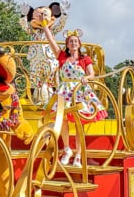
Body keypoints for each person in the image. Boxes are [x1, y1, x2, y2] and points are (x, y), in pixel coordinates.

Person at [42, 24, 107, 167]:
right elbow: (51, 40)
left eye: (75, 41)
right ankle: (67, 149)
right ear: (67, 44)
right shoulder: (62, 56)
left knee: (79, 123)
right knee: (63, 119)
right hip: (64, 91)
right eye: (70, 41)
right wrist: (45, 26)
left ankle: (78, 155)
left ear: (79, 44)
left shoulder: (85, 59)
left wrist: (87, 78)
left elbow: (91, 73)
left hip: (80, 91)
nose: (73, 43)